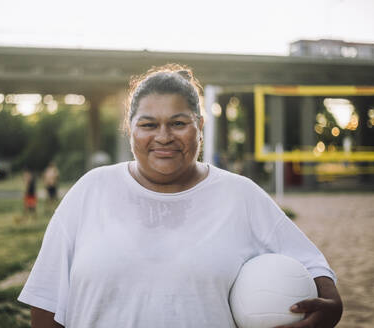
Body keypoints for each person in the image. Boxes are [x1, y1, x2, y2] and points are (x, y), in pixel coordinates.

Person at [18, 64, 343, 328]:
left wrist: (330, 308)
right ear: (129, 129)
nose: (163, 137)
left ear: (199, 126)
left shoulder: (239, 195)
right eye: (148, 124)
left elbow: (312, 263)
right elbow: (47, 302)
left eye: (178, 123)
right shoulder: (91, 190)